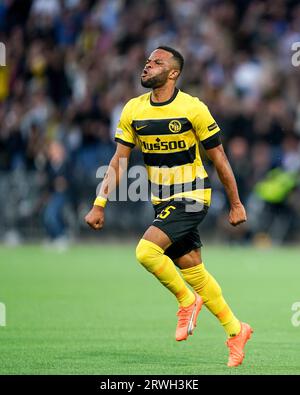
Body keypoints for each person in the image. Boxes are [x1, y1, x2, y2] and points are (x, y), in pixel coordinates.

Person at [85, 46, 253, 367]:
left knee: (146, 252)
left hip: (192, 196)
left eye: (156, 62)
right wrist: (99, 203)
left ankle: (186, 301)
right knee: (194, 270)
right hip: (162, 202)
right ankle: (236, 330)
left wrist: (235, 203)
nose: (147, 65)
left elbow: (219, 158)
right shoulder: (133, 110)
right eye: (147, 60)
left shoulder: (194, 109)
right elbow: (119, 160)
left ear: (173, 73)